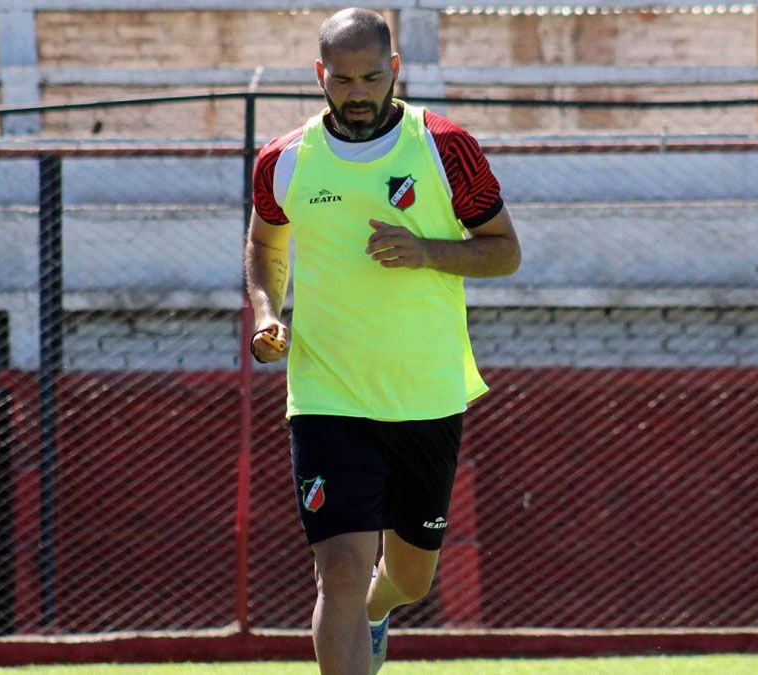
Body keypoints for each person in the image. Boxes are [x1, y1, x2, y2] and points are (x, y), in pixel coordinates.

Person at [244, 8, 521, 674]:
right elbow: (263, 243)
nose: (358, 92)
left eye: (371, 77)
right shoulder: (284, 159)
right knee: (340, 566)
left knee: (410, 577)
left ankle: (377, 610)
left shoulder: (443, 145)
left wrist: (427, 250)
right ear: (320, 76)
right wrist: (263, 311)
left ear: (394, 70)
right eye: (342, 80)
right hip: (325, 392)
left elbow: (505, 252)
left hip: (424, 393)